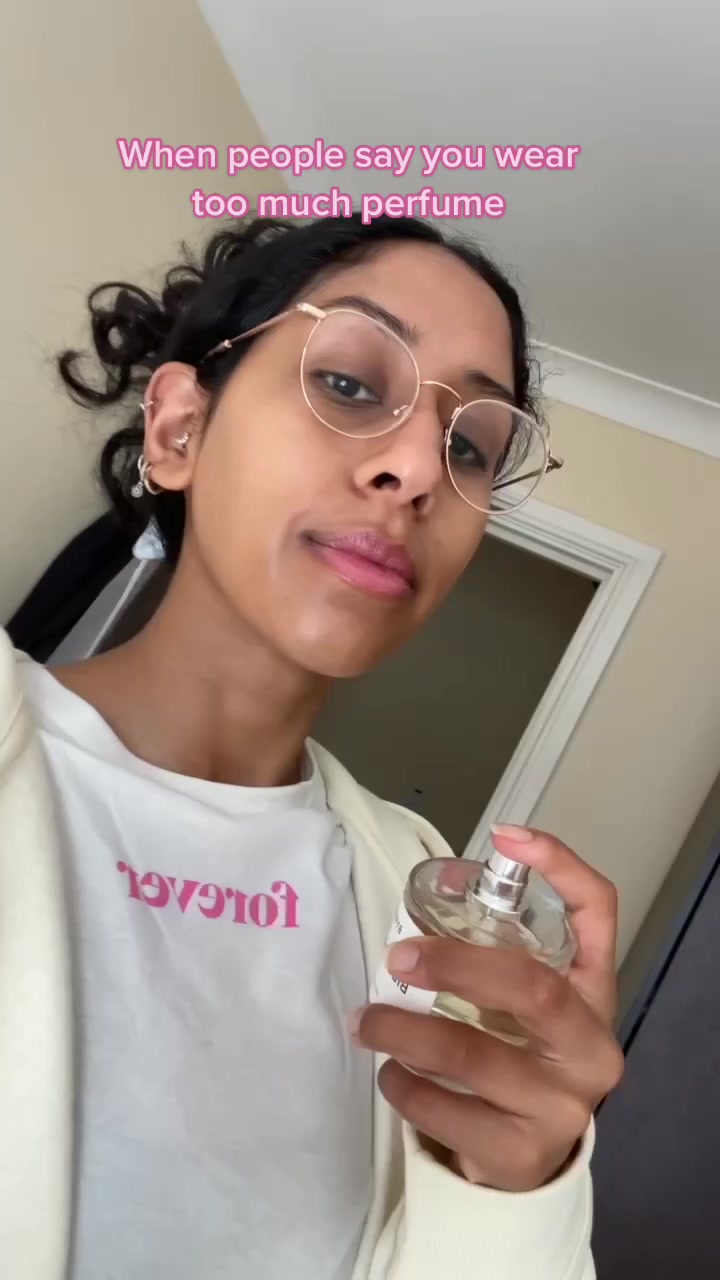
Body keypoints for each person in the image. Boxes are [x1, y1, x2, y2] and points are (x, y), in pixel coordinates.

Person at [0, 213, 623, 1280]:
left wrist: (517, 1184)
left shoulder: (421, 891)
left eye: (469, 447)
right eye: (349, 383)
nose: (418, 468)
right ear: (179, 430)